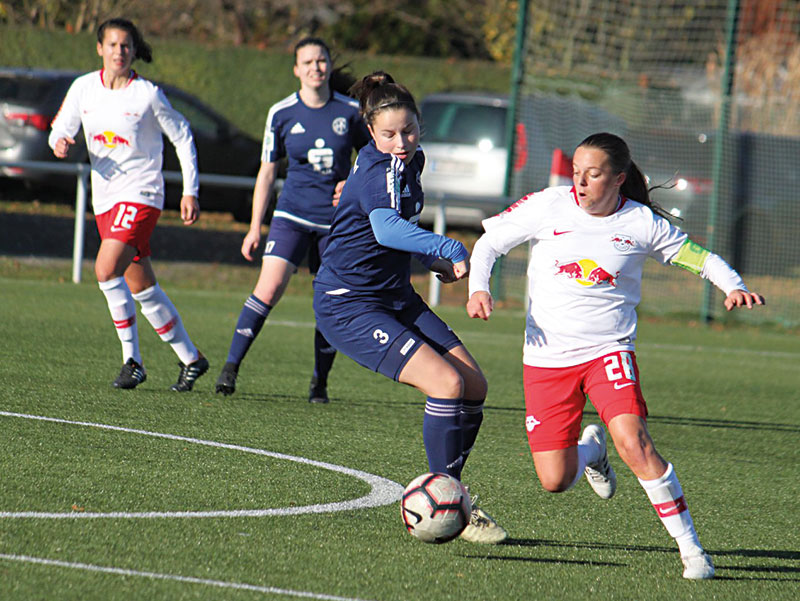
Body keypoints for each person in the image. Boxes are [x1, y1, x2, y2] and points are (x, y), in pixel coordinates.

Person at [467, 132, 765, 577]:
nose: (581, 183)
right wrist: (479, 289)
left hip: (609, 352)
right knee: (554, 479)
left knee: (636, 442)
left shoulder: (641, 223)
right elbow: (488, 244)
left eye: (593, 174)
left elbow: (698, 257)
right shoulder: (549, 204)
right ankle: (591, 452)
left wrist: (734, 285)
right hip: (547, 360)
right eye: (576, 173)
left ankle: (692, 551)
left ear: (619, 179)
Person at [312, 71, 507, 544]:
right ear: (371, 133)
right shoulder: (382, 169)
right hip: (349, 303)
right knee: (447, 383)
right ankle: (450, 500)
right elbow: (385, 229)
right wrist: (450, 247)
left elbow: (397, 231)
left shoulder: (409, 162)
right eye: (388, 134)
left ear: (420, 125)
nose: (401, 142)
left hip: (393, 295)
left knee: (474, 385)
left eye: (409, 130)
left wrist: (431, 260)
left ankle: (450, 493)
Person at [49, 17, 209, 391]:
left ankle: (132, 361)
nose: (119, 51)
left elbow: (182, 135)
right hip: (105, 198)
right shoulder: (84, 88)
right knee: (141, 286)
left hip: (142, 194)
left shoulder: (147, 94)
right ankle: (191, 358)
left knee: (106, 270)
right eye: (112, 44)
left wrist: (191, 190)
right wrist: (58, 142)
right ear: (99, 48)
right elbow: (60, 127)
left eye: (126, 45)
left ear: (134, 51)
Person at [215, 37, 370, 402]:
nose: (316, 67)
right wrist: (255, 226)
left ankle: (319, 384)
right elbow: (267, 173)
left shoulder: (350, 112)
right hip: (291, 216)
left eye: (321, 60)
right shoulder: (281, 113)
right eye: (308, 62)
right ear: (296, 69)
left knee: (328, 302)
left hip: (336, 224)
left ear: (329, 66)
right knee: (267, 289)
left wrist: (351, 182)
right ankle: (230, 369)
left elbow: (370, 161)